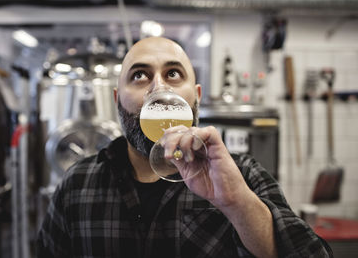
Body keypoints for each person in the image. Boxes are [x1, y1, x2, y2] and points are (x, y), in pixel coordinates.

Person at [37, 37, 332, 258]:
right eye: (140, 75)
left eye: (173, 75)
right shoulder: (78, 184)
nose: (158, 89)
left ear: (196, 97)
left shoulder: (244, 176)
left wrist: (237, 203)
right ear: (117, 99)